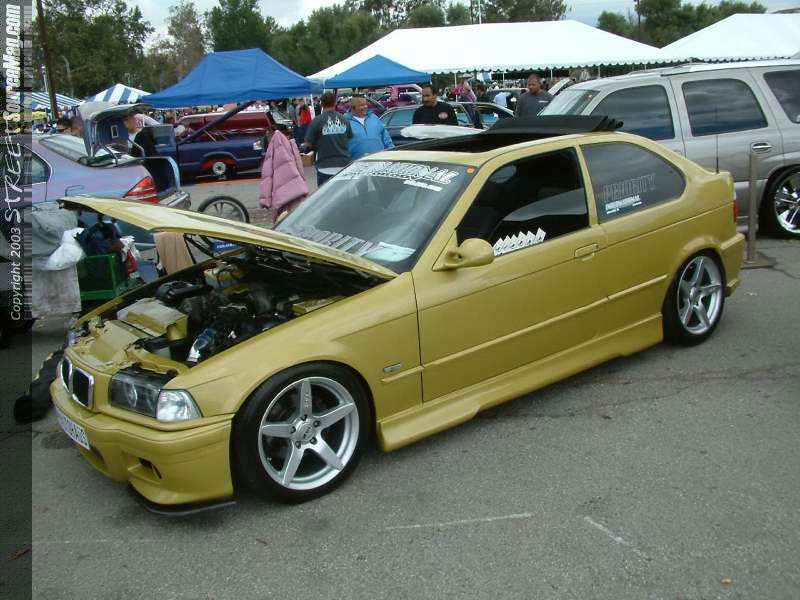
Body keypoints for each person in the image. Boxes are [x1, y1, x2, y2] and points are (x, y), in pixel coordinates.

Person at [258, 126, 308, 221]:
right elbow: (300, 169)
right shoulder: (291, 145)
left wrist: (265, 200)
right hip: (297, 191)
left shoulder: (274, 149)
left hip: (281, 196)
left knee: (284, 221)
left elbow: (267, 176)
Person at [303, 91, 352, 187]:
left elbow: (308, 143)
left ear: (321, 104)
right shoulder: (344, 120)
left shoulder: (316, 121)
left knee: (326, 196)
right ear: (335, 103)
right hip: (344, 165)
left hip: (324, 167)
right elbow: (350, 138)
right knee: (343, 195)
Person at [344, 95, 394, 160]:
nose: (365, 107)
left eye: (366, 104)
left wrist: (392, 153)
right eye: (362, 105)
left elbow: (386, 139)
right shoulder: (344, 122)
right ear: (353, 108)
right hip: (356, 163)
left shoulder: (374, 118)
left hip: (379, 161)